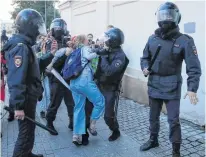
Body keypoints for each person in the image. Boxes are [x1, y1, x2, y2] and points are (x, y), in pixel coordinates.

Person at [140, 2, 201, 157]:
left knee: (173, 120)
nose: (165, 19)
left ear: (176, 17)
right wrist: (145, 67)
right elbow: (144, 57)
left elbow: (193, 67)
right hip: (154, 83)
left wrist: (192, 88)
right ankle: (153, 139)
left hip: (172, 85)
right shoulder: (152, 39)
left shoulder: (185, 40)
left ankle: (176, 150)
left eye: (169, 15)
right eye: (163, 15)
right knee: (153, 117)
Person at [2, 9, 57, 157]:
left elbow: (35, 64)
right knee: (25, 133)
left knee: (29, 128)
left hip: (28, 97)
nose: (38, 31)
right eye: (36, 26)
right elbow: (16, 79)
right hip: (25, 99)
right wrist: (19, 107)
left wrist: (50, 55)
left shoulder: (24, 44)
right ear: (30, 27)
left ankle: (27, 153)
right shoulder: (20, 47)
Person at [84, 28, 129, 144]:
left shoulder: (120, 56)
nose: (105, 40)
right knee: (88, 107)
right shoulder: (108, 50)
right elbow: (95, 53)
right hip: (98, 84)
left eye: (108, 38)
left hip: (110, 88)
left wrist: (102, 56)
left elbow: (109, 72)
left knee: (108, 116)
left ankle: (115, 131)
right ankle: (86, 130)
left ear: (113, 41)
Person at [69, 35, 105, 145]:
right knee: (100, 101)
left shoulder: (74, 51)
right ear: (84, 41)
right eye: (87, 40)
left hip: (73, 83)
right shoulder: (84, 48)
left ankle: (76, 135)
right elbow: (89, 56)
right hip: (84, 81)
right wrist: (98, 52)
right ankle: (92, 124)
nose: (88, 41)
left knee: (78, 108)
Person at [46, 18, 74, 135]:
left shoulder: (68, 42)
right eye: (57, 27)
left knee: (71, 103)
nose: (59, 29)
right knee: (54, 103)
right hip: (56, 78)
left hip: (68, 78)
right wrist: (65, 55)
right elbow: (51, 64)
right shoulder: (50, 44)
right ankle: (49, 123)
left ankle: (72, 121)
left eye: (60, 27)